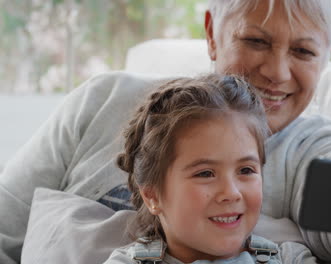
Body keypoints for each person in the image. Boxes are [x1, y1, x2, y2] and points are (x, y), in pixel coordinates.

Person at [0, 1, 331, 264]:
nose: (277, 72)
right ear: (210, 31)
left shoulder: (310, 148)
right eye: (256, 41)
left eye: (303, 51)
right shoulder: (102, 98)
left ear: (328, 54)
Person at [103, 74, 317, 263]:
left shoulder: (290, 258)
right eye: (205, 173)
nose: (231, 193)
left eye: (246, 170)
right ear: (152, 196)